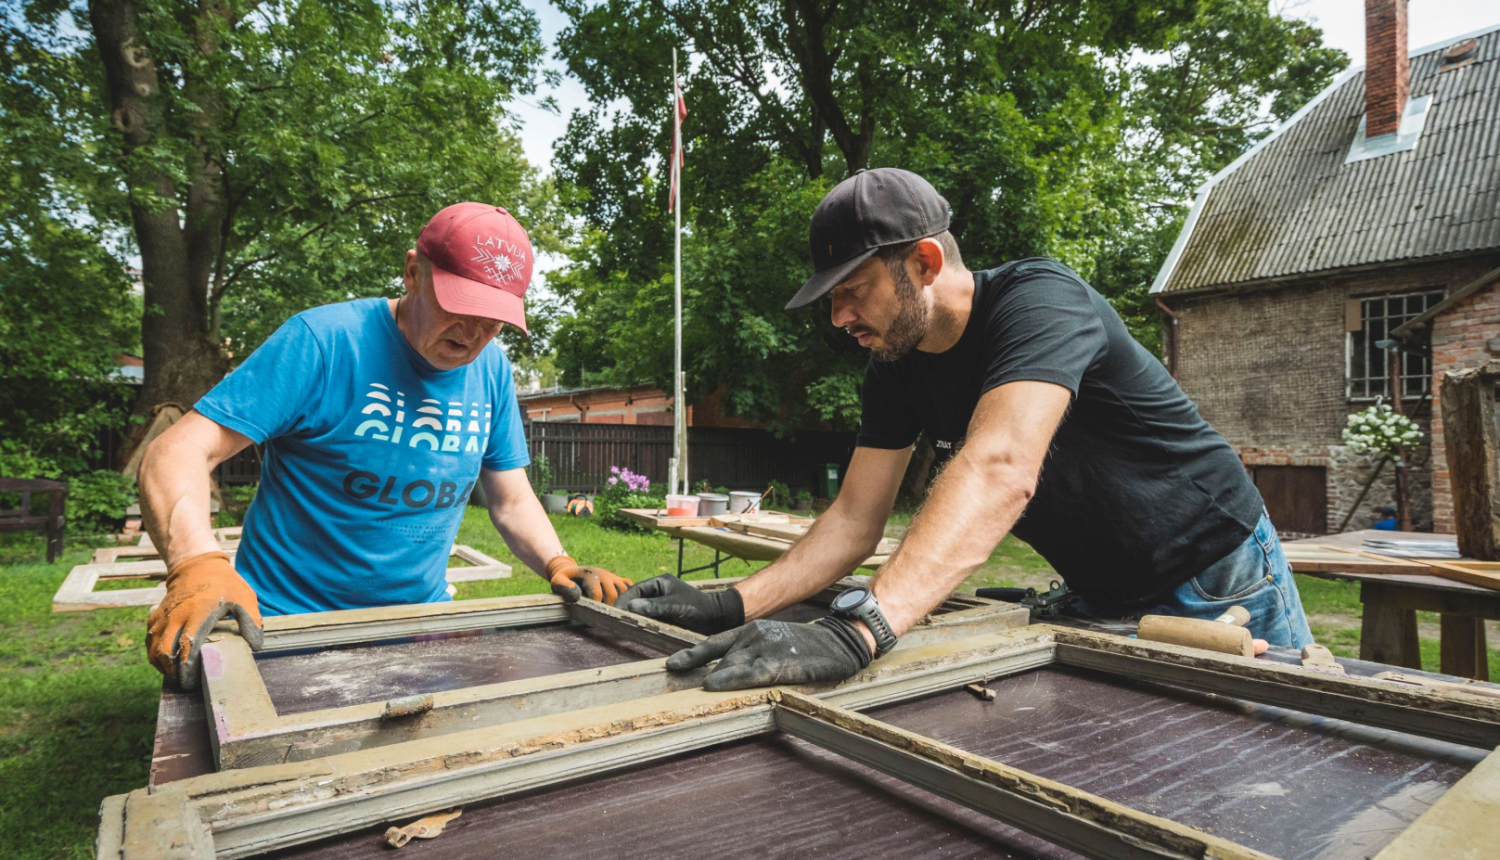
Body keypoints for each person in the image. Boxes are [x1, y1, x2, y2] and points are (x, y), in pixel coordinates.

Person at [618, 168, 1313, 691]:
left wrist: (862, 629)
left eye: (852, 293)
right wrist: (726, 602)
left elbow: (1001, 468)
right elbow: (856, 518)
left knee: (1284, 759)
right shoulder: (894, 365)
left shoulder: (1041, 302)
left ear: (923, 263)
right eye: (832, 301)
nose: (839, 320)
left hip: (1217, 569)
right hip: (1104, 589)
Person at [140, 203, 631, 689]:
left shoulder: (492, 370)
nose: (474, 333)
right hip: (284, 625)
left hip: (416, 628)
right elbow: (177, 451)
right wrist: (197, 563)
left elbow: (511, 497)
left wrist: (558, 561)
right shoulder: (325, 342)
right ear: (414, 272)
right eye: (460, 305)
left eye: (493, 317)